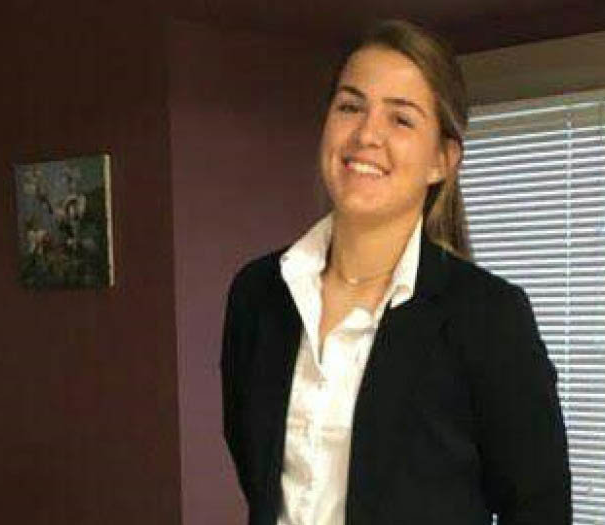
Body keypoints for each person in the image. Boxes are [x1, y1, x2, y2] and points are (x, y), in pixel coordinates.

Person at [220, 19, 571, 525]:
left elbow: (539, 511)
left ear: (441, 161)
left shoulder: (487, 317)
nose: (366, 134)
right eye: (350, 106)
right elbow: (255, 473)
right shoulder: (258, 294)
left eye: (401, 120)